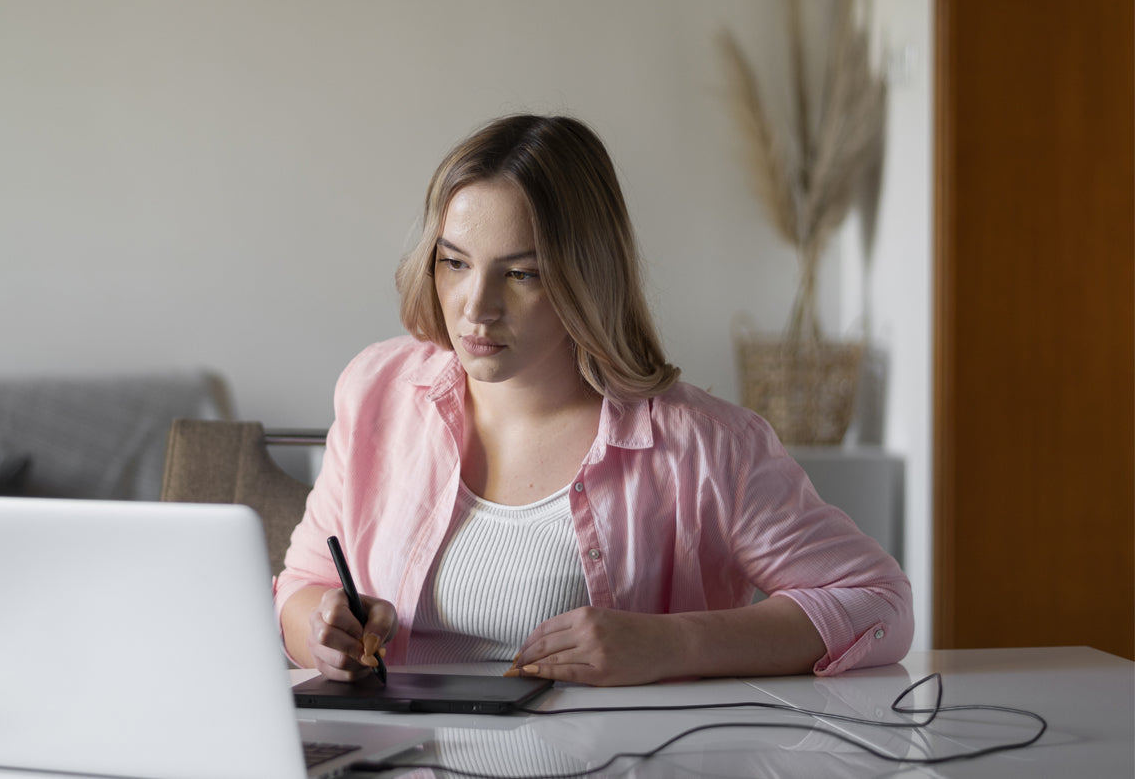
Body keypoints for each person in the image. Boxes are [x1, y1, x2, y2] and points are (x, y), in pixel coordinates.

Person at [274, 114, 912, 687]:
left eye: (521, 273)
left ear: (586, 276)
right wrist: (322, 634)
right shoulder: (378, 389)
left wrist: (671, 644)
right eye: (455, 263)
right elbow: (301, 588)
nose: (476, 306)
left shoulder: (703, 445)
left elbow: (877, 599)